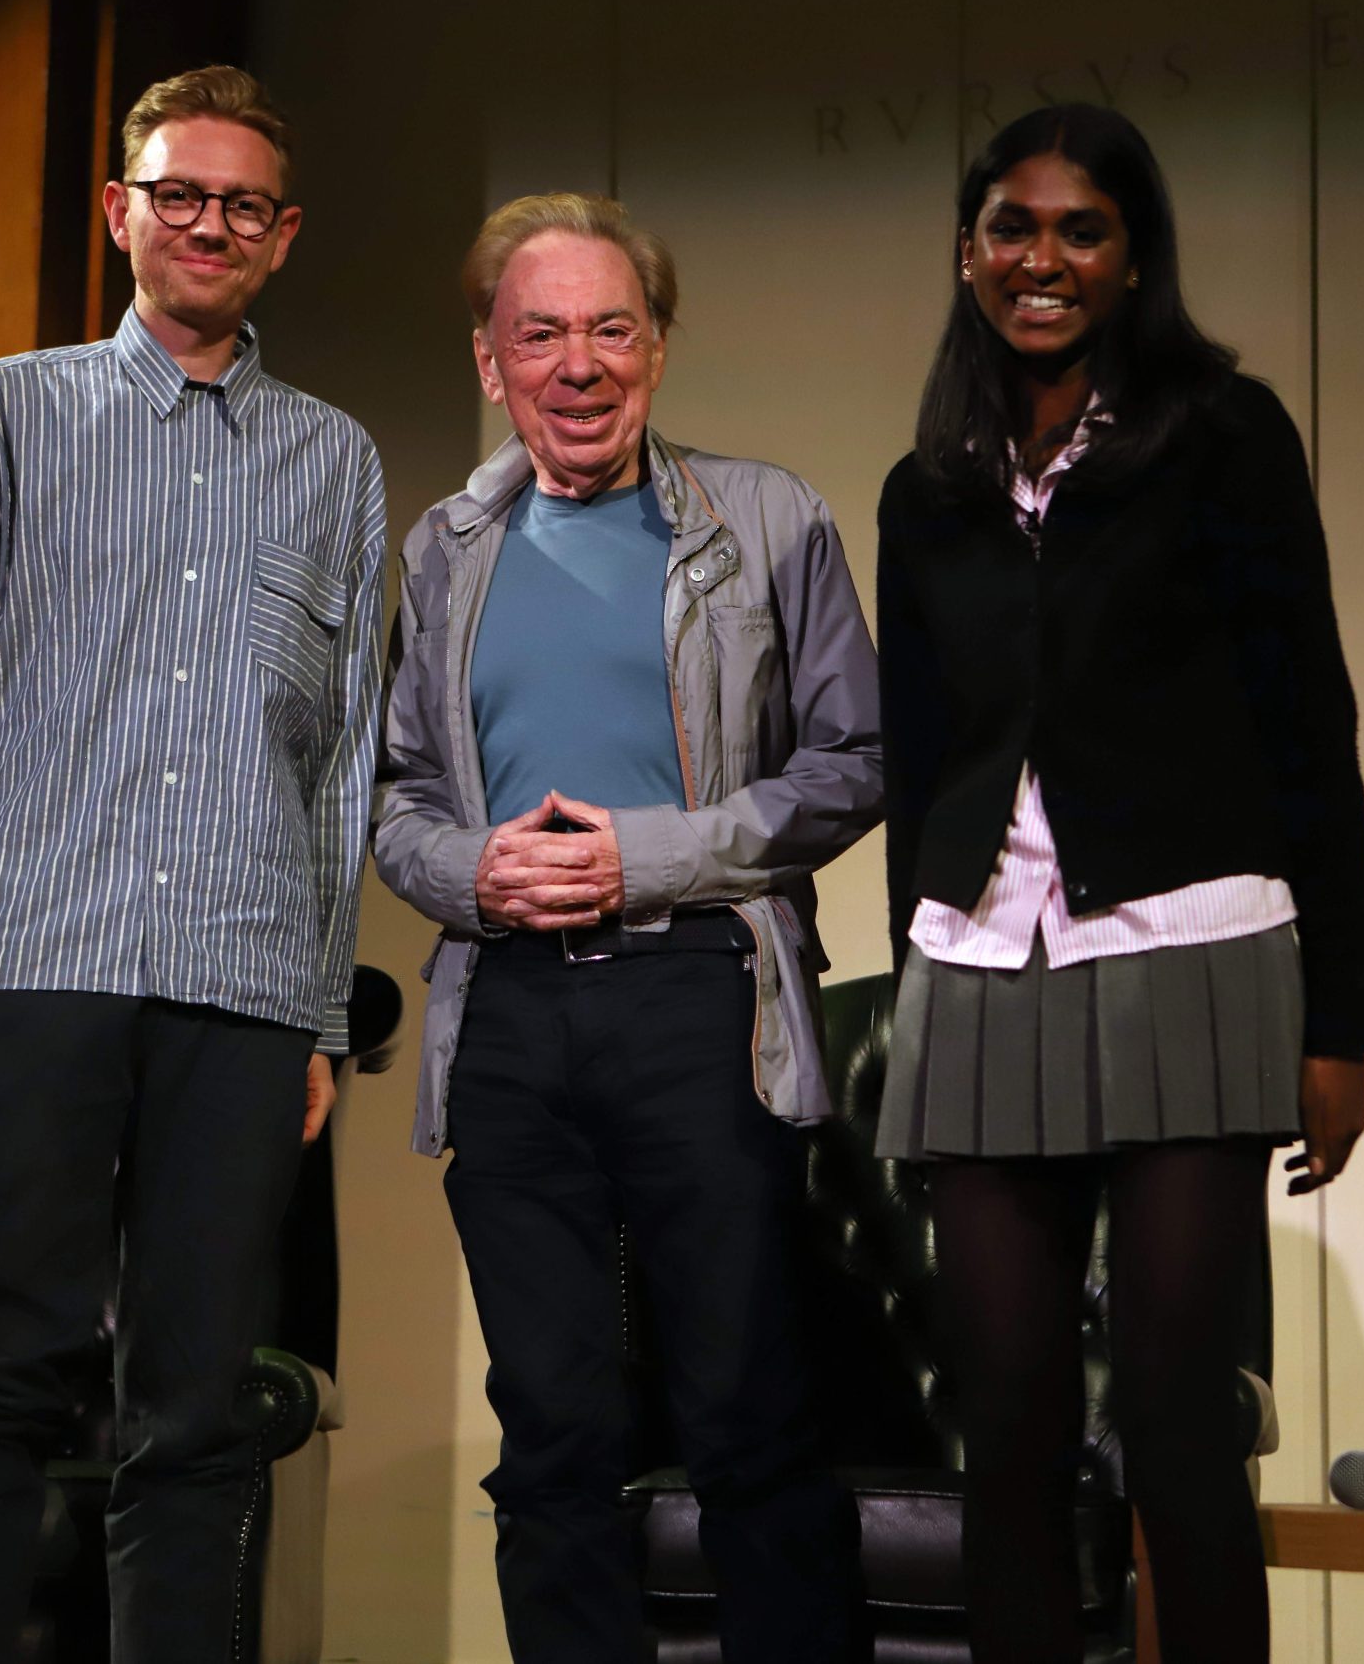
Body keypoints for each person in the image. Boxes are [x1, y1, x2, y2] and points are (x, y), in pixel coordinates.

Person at [0, 65, 386, 1664]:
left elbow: (339, 760)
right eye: (179, 193)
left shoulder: (336, 462)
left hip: (237, 992)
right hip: (27, 971)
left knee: (202, 1409)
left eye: (243, 205)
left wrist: (314, 1017)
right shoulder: (0, 416)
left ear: (281, 239)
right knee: (0, 1373)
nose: (209, 223)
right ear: (119, 213)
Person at [873, 103, 1364, 1662]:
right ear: (969, 255)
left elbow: (1315, 729)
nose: (1043, 259)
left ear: (1132, 255)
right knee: (1007, 1430)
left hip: (1192, 950)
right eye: (1011, 228)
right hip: (981, 965)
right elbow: (919, 765)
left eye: (1079, 230)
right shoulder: (929, 489)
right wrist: (914, 979)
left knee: (1170, 1419)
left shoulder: (1224, 438)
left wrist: (1339, 1028)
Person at [372, 192, 878, 1664]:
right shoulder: (443, 548)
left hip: (701, 995)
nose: (578, 364)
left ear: (656, 348)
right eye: (543, 333)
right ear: (490, 360)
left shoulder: (768, 516)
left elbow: (853, 764)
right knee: (550, 1438)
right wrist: (478, 876)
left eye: (611, 328)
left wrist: (645, 858)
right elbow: (399, 797)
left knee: (747, 1418)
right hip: (510, 1017)